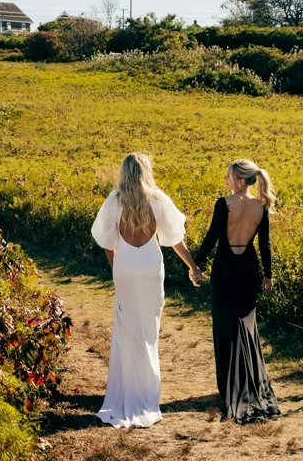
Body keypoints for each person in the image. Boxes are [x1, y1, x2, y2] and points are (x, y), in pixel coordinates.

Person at [90, 151, 200, 427]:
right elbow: (175, 239)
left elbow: (106, 240)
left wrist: (116, 268)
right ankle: (147, 393)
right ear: (146, 171)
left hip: (126, 267)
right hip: (151, 266)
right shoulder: (158, 200)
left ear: (123, 173)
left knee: (126, 328)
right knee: (149, 330)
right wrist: (192, 266)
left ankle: (126, 390)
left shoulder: (114, 201)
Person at [193, 159, 281, 423]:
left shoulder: (224, 204)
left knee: (224, 327)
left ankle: (228, 389)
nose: (225, 179)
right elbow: (264, 245)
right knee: (247, 328)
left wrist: (195, 265)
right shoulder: (261, 206)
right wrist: (268, 275)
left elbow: (211, 238)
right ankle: (249, 386)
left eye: (228, 175)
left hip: (225, 271)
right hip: (248, 271)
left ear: (240, 181)